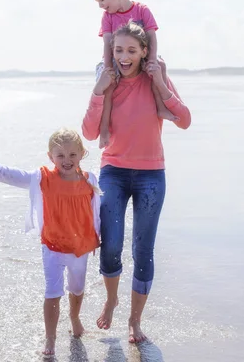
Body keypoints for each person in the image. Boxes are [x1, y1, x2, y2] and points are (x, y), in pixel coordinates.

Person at [81, 22, 191, 343]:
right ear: (111, 52)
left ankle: (134, 320)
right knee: (111, 244)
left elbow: (184, 120)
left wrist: (161, 82)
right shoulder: (108, 82)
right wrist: (99, 90)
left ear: (145, 52)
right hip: (113, 171)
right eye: (118, 50)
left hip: (151, 176)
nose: (124, 57)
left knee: (143, 251)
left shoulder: (155, 80)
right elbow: (88, 133)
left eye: (131, 50)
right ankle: (112, 298)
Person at [0, 128, 101, 356]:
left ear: (82, 154)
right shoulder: (43, 178)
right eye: (61, 155)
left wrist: (102, 235)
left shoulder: (90, 180)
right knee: (53, 291)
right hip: (53, 245)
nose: (67, 160)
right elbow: (17, 176)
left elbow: (99, 209)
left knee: (77, 287)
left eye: (73, 155)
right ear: (50, 156)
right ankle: (51, 339)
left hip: (80, 247)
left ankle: (74, 317)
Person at [89, 0, 177, 149]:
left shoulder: (142, 10)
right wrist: (108, 69)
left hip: (141, 55)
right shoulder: (107, 17)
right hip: (114, 59)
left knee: (159, 66)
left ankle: (161, 107)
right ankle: (104, 128)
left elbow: (152, 36)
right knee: (107, 85)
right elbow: (107, 44)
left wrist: (151, 60)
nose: (100, 5)